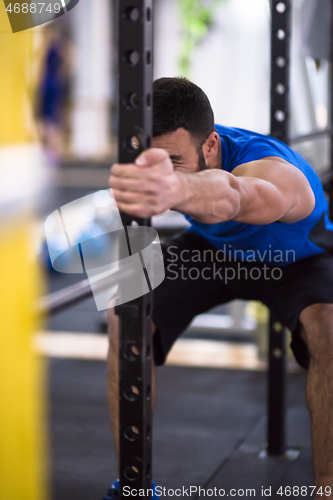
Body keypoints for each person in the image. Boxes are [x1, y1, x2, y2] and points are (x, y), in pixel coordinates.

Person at [104, 77, 333, 499]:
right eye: (151, 161)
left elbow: (235, 196)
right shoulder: (169, 154)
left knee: (329, 328)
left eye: (173, 160)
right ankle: (132, 484)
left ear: (210, 146)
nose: (160, 171)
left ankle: (327, 488)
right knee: (124, 315)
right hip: (212, 251)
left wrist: (175, 187)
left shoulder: (274, 171)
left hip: (296, 261)